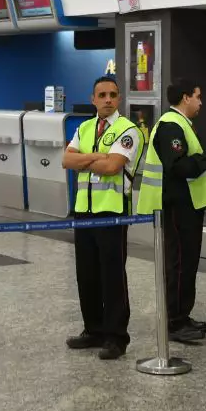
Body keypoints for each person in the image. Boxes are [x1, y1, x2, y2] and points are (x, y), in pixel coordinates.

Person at [60, 76, 143, 360]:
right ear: (93, 99)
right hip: (84, 211)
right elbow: (66, 160)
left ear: (119, 99)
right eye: (102, 95)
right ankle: (93, 330)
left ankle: (116, 337)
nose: (108, 99)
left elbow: (112, 166)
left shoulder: (128, 130)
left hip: (112, 213)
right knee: (87, 273)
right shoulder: (83, 128)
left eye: (113, 95)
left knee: (113, 276)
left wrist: (86, 158)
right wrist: (96, 155)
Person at [135, 78, 206, 344]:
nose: (200, 102)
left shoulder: (180, 124)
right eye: (198, 96)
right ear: (186, 97)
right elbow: (180, 167)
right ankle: (174, 322)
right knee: (179, 264)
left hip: (188, 207)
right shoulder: (171, 125)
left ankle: (182, 316)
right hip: (176, 208)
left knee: (188, 263)